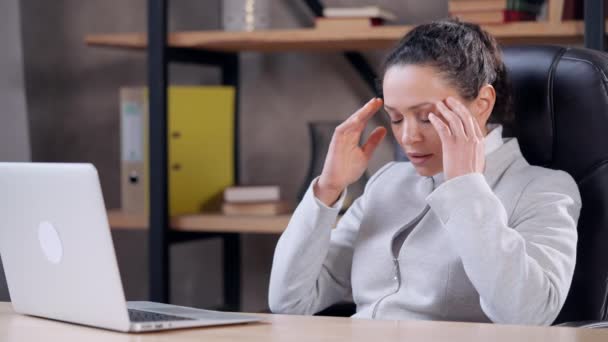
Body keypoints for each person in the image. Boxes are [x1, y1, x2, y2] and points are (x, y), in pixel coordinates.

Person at [268, 19, 581, 326]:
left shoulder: (544, 190)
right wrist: (328, 188)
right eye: (396, 118)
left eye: (427, 117)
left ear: (482, 103)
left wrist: (465, 188)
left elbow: (527, 314)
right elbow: (289, 301)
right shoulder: (387, 182)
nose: (408, 138)